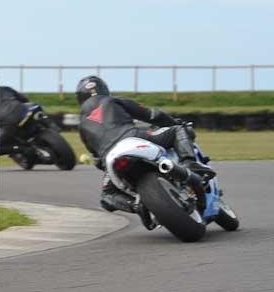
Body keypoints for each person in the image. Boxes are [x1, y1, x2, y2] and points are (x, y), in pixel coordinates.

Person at [75, 75, 213, 212]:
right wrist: (174, 122)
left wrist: (106, 165)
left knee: (107, 195)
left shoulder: (81, 126)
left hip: (110, 157)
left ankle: (136, 206)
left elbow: (97, 160)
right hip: (133, 137)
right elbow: (153, 115)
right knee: (177, 130)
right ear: (104, 89)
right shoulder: (113, 100)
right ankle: (189, 164)